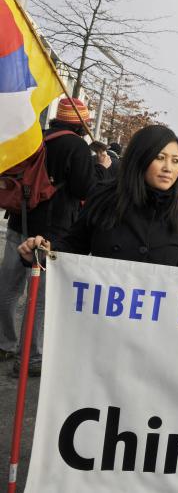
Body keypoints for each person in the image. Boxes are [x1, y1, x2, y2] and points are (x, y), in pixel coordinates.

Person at [18, 125, 178, 269]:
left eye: (175, 160)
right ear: (139, 158)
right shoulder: (104, 198)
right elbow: (73, 245)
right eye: (159, 158)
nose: (168, 168)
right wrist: (43, 252)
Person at [0, 97, 96, 375]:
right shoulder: (76, 146)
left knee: (10, 285)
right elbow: (83, 189)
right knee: (41, 296)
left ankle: (4, 342)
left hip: (22, 219)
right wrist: (99, 167)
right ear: (81, 123)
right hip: (53, 231)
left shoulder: (37, 137)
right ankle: (30, 357)